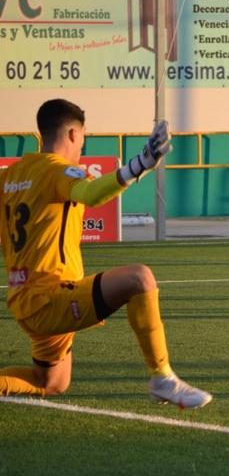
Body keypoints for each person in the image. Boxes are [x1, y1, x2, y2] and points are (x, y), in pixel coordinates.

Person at [0, 99, 212, 407]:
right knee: (139, 279)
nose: (81, 146)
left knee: (51, 382)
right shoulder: (58, 171)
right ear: (73, 134)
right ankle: (161, 378)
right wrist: (139, 166)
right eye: (83, 138)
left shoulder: (11, 176)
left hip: (23, 300)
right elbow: (90, 194)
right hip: (49, 298)